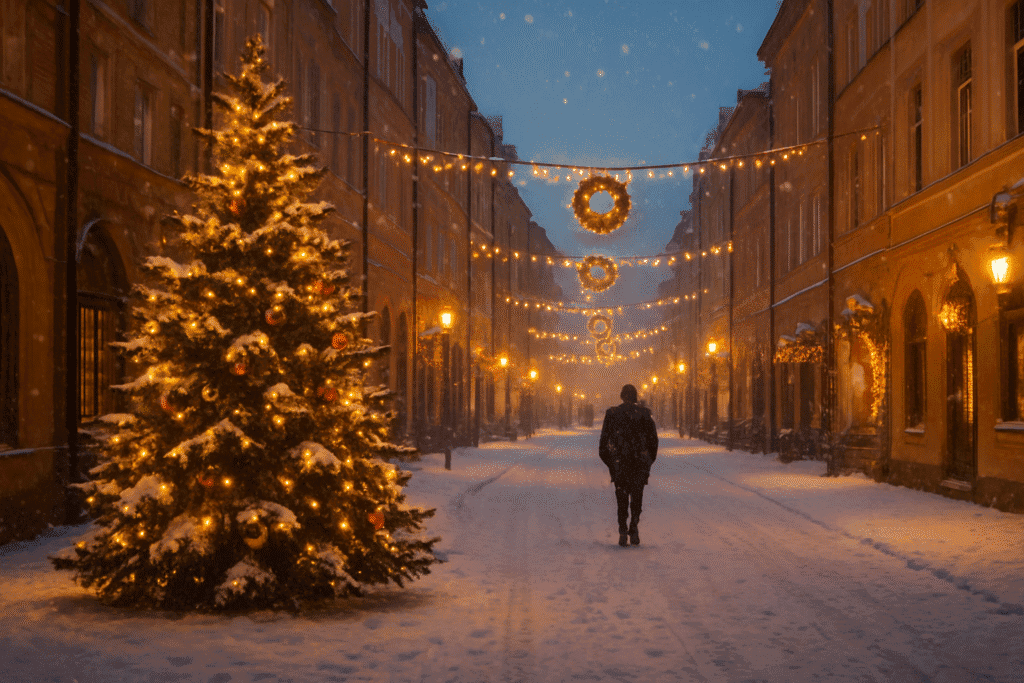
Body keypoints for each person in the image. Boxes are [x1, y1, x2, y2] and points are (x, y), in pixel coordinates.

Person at [599, 384, 659, 547]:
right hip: (639, 463)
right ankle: (634, 527)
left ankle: (622, 529)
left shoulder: (612, 414)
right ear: (635, 396)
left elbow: (603, 445)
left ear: (622, 396)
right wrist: (648, 461)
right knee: (637, 498)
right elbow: (653, 441)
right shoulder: (645, 414)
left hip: (621, 464)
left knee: (622, 498)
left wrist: (612, 463)